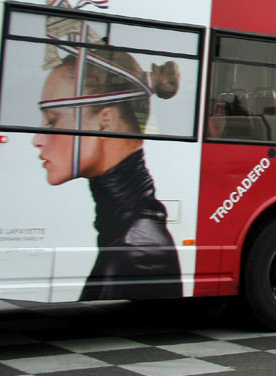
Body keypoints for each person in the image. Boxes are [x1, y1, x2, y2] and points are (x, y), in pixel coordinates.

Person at [31, 46, 184, 300]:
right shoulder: (125, 232)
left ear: (106, 121)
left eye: (51, 120)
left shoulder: (136, 250)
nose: (37, 139)